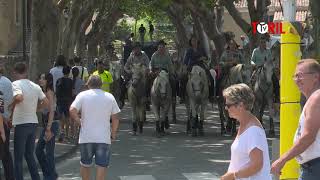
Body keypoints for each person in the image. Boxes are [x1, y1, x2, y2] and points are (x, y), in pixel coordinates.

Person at [271, 59, 320, 179]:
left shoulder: (316, 98)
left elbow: (308, 137)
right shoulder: (313, 99)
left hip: (315, 168)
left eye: (300, 75)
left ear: (315, 77)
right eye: (295, 76)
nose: (297, 80)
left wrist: (282, 160)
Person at [69, 75, 120, 180]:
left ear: (88, 84)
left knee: (85, 164)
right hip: (103, 137)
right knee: (102, 165)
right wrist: (113, 133)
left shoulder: (82, 95)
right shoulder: (109, 97)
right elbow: (115, 117)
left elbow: (72, 110)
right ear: (101, 85)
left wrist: (79, 122)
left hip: (86, 137)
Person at [221, 83, 272, 180]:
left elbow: (257, 165)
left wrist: (233, 176)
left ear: (240, 105)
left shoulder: (253, 131)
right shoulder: (245, 124)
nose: (226, 108)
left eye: (228, 105)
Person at [10, 62, 48, 180]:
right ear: (26, 72)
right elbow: (46, 102)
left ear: (15, 72)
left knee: (18, 157)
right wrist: (37, 109)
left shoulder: (15, 84)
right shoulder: (35, 86)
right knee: (29, 155)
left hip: (21, 123)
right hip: (33, 122)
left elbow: (19, 97)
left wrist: (11, 106)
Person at [36, 73, 59, 180]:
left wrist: (48, 129)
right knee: (39, 150)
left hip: (52, 124)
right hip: (47, 125)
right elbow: (43, 109)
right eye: (40, 78)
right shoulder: (43, 93)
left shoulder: (49, 92)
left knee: (48, 152)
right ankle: (50, 173)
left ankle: (50, 176)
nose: (40, 80)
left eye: (43, 78)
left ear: (48, 81)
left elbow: (51, 112)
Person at [0, 63, 14, 180]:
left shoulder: (2, 83)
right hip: (7, 120)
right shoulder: (8, 81)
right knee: (5, 154)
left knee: (4, 153)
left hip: (3, 122)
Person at [56, 66, 73, 142]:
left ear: (63, 72)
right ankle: (67, 134)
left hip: (60, 101)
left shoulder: (59, 80)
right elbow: (72, 92)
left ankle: (61, 131)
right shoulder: (70, 81)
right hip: (68, 101)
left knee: (60, 118)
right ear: (69, 72)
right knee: (67, 117)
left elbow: (57, 91)